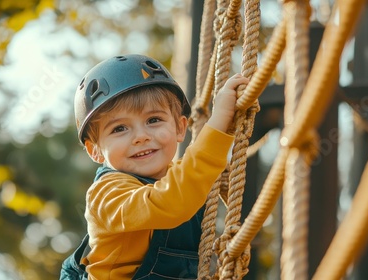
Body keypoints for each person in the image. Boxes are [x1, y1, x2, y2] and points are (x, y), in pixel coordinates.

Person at [61, 54, 248, 280]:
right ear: (95, 151)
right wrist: (219, 121)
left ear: (180, 128)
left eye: (153, 120)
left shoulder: (186, 176)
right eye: (119, 129)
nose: (141, 137)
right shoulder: (107, 194)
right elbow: (170, 202)